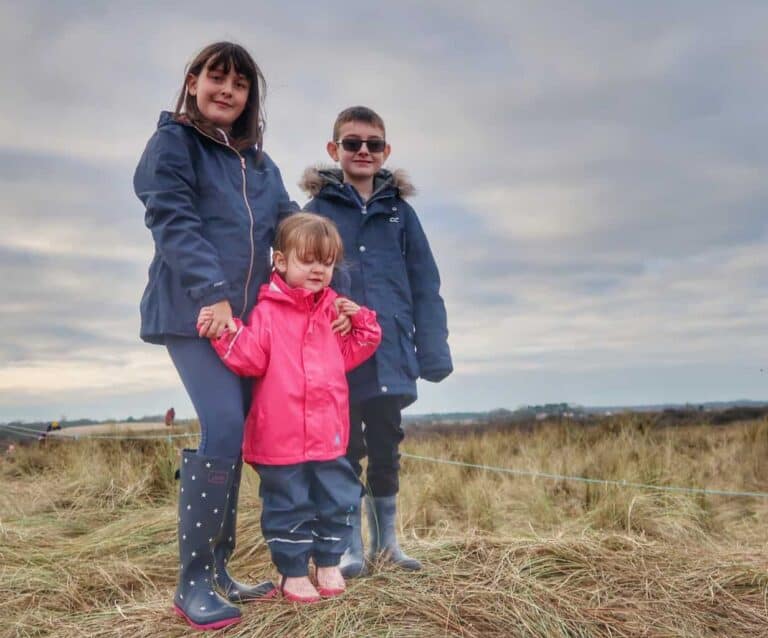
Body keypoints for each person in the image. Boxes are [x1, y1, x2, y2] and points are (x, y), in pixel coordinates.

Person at [134, 42, 334, 631]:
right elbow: (172, 218)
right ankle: (191, 581)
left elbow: (289, 224)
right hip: (194, 315)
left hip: (248, 325)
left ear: (250, 97)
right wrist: (212, 292)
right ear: (193, 82)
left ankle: (220, 571)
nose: (227, 90)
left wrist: (328, 274)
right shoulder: (173, 143)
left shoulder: (259, 164)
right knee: (222, 425)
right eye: (216, 78)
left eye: (239, 84)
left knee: (239, 436)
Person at [301, 106, 453, 578]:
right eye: (352, 143)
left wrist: (432, 353)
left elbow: (425, 283)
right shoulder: (314, 214)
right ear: (334, 150)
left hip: (390, 356)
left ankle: (388, 544)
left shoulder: (401, 215)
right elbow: (297, 286)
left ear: (386, 152)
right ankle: (351, 550)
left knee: (387, 447)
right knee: (344, 452)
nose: (362, 150)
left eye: (373, 144)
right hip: (337, 360)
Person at [199, 212, 381, 602]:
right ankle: (293, 572)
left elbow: (357, 349)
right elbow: (250, 358)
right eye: (308, 260)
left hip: (329, 436)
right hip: (281, 439)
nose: (319, 269)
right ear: (281, 262)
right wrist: (223, 331)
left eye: (327, 262)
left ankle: (328, 563)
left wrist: (360, 319)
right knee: (288, 505)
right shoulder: (267, 313)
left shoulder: (336, 312)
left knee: (338, 498)